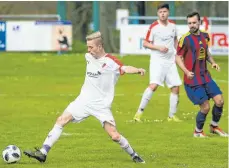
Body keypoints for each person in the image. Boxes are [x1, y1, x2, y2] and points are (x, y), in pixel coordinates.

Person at [24, 31, 146, 163]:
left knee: (115, 136)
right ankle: (43, 153)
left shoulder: (111, 62)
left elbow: (125, 68)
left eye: (91, 47)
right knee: (61, 120)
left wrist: (138, 69)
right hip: (83, 101)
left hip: (101, 105)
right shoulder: (88, 56)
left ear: (99, 47)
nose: (88, 50)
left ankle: (134, 155)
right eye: (88, 47)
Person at [176, 12, 228, 137]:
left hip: (205, 76)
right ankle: (198, 131)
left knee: (220, 101)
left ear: (199, 22)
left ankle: (214, 126)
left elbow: (206, 52)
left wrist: (213, 62)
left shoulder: (205, 36)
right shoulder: (185, 39)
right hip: (192, 80)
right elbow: (178, 57)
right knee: (205, 107)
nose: (192, 25)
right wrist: (186, 71)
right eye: (189, 23)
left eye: (194, 22)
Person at [133, 3, 182, 122]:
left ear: (168, 12)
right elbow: (145, 43)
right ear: (157, 13)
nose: (163, 14)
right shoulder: (153, 27)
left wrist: (179, 52)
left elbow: (175, 40)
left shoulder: (173, 26)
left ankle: (171, 116)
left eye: (164, 11)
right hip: (158, 61)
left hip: (170, 61)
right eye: (160, 12)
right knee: (153, 86)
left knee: (175, 88)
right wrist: (158, 47)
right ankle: (138, 114)